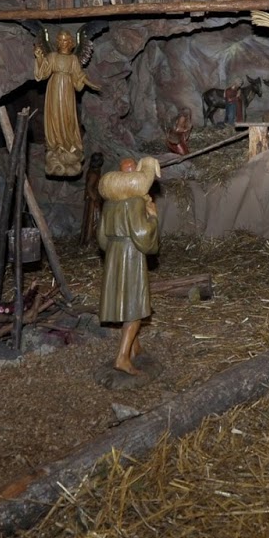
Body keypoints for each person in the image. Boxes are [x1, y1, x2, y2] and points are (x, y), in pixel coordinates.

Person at [97, 157, 161, 375]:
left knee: (124, 301)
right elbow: (142, 234)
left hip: (115, 255)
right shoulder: (134, 202)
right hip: (131, 254)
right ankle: (122, 358)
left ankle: (134, 347)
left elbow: (102, 239)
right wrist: (153, 218)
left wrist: (114, 248)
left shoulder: (109, 204)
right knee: (135, 306)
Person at [35, 29, 99, 177]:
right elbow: (43, 74)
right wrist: (39, 58)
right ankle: (56, 146)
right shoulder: (52, 56)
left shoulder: (73, 59)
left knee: (67, 117)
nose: (63, 43)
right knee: (54, 116)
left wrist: (91, 84)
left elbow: (79, 76)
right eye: (60, 40)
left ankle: (68, 145)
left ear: (70, 43)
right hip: (54, 88)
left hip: (68, 91)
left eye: (65, 40)